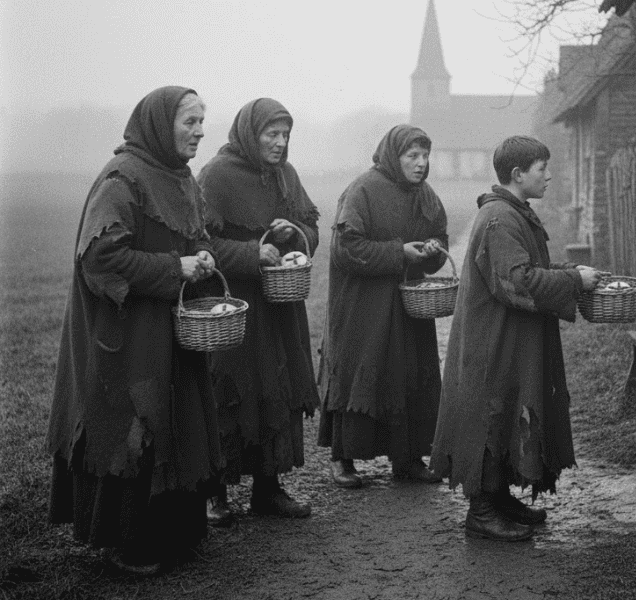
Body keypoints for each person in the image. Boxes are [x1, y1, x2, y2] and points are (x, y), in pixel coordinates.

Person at [46, 86, 222, 575]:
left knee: (175, 418)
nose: (200, 131)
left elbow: (195, 232)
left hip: (171, 328)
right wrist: (175, 268)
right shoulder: (121, 180)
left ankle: (175, 532)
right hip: (124, 334)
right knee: (133, 426)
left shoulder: (182, 178)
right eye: (189, 121)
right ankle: (127, 542)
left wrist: (203, 254)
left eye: (202, 121)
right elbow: (99, 258)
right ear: (159, 124)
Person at [430, 136, 605, 542]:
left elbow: (528, 266)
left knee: (509, 409)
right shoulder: (499, 219)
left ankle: (501, 498)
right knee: (493, 412)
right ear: (517, 174)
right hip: (493, 342)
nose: (548, 175)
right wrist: (572, 280)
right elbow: (516, 281)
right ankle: (482, 511)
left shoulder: (514, 212)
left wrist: (567, 271)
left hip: (511, 338)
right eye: (542, 168)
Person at [197, 98, 320, 523]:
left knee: (277, 389)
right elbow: (202, 244)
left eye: (286, 135)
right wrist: (253, 253)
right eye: (272, 134)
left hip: (279, 305)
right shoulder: (216, 175)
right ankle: (217, 494)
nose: (281, 143)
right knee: (230, 393)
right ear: (251, 133)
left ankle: (268, 489)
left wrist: (296, 231)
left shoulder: (285, 175)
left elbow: (312, 232)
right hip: (234, 305)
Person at [318, 124, 448, 488]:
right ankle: (342, 458)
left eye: (425, 156)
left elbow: (439, 234)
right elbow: (346, 249)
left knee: (407, 370)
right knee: (360, 367)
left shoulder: (425, 194)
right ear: (394, 155)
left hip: (407, 304)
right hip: (362, 306)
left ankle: (407, 459)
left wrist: (432, 251)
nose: (421, 164)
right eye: (413, 156)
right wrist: (398, 252)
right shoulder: (363, 190)